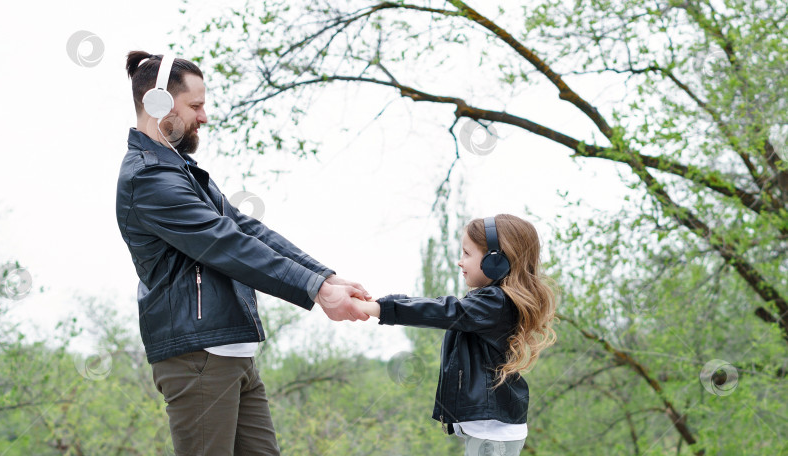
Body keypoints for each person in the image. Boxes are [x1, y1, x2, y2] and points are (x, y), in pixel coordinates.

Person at [115, 50, 371, 456]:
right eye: (195, 105)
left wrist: (324, 277)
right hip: (198, 359)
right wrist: (315, 291)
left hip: (232, 351)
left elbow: (247, 228)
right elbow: (227, 244)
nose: (204, 116)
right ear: (158, 103)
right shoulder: (149, 179)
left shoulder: (181, 170)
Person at [355, 214, 559, 456]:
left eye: (467, 253)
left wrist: (381, 309)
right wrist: (381, 303)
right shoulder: (491, 302)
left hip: (491, 435)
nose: (460, 262)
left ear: (496, 261)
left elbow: (444, 310)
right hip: (488, 433)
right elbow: (445, 308)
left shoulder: (497, 303)